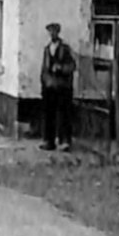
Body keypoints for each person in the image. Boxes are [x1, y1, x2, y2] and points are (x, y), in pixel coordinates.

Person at [40, 21, 76, 151]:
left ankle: (64, 141)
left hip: (63, 87)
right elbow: (44, 69)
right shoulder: (47, 49)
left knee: (63, 115)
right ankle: (48, 141)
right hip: (49, 88)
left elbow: (72, 66)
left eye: (54, 31)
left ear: (58, 32)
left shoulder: (65, 49)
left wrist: (61, 68)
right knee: (48, 114)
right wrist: (44, 82)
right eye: (50, 31)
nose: (51, 34)